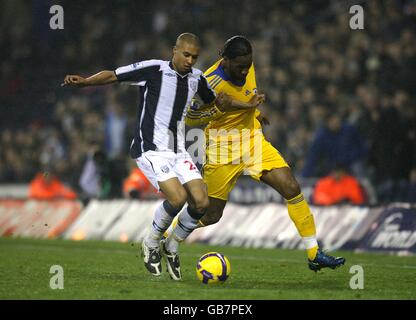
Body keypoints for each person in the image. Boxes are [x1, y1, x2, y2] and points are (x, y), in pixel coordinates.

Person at [167, 35, 345, 271]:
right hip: (222, 148)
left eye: (248, 65)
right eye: (240, 66)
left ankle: (314, 253)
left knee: (291, 187)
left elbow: (245, 97)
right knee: (210, 214)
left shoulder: (247, 66)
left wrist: (256, 114)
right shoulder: (208, 81)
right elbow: (190, 118)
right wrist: (222, 108)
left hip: (253, 141)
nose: (244, 71)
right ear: (226, 61)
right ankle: (169, 236)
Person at [63, 33, 232, 280]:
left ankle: (172, 245)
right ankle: (151, 242)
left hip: (178, 150)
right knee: (177, 198)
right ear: (174, 50)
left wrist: (248, 109)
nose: (190, 60)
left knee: (201, 202)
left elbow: (212, 103)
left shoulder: (197, 79)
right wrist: (86, 82)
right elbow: (113, 75)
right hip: (150, 148)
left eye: (194, 57)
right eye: (186, 55)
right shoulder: (153, 69)